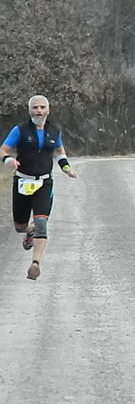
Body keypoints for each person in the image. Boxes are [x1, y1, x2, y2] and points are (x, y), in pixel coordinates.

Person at [0, 95, 77, 280]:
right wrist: (8, 159)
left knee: (42, 224)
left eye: (42, 107)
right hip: (22, 181)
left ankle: (35, 264)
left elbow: (59, 153)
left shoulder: (54, 131)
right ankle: (28, 231)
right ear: (30, 110)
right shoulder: (20, 130)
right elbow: (4, 149)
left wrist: (66, 167)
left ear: (48, 110)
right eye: (35, 107)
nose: (39, 111)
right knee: (20, 226)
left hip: (44, 182)